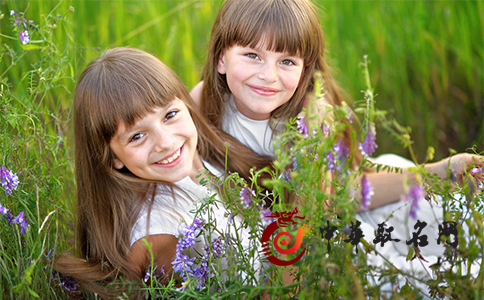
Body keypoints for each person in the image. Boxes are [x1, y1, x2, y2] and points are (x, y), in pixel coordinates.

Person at [190, 0, 482, 211]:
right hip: (250, 226)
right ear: (221, 58)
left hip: (316, 217)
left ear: (305, 71)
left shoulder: (312, 117)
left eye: (287, 61)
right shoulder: (203, 100)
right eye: (252, 55)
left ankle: (438, 171)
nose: (269, 76)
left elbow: (334, 200)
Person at [53, 47, 271, 298]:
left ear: (187, 106)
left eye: (169, 115)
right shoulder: (159, 233)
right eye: (136, 136)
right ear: (112, 157)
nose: (165, 142)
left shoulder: (201, 154)